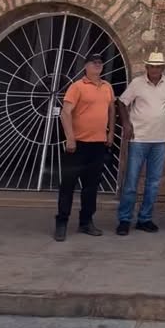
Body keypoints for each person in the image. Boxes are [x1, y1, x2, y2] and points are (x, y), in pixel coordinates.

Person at [115, 50, 165, 236]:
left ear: (163, 68)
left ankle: (145, 218)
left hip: (160, 140)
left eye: (158, 67)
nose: (155, 70)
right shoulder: (137, 83)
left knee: (153, 182)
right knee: (131, 181)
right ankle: (125, 219)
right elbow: (121, 102)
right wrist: (126, 124)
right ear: (146, 67)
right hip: (139, 138)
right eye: (152, 66)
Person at [54, 52, 115, 241]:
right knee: (68, 185)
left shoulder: (107, 87)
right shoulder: (77, 87)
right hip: (78, 145)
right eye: (93, 62)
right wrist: (70, 138)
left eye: (100, 63)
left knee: (91, 187)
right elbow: (65, 113)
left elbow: (111, 110)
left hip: (97, 145)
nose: (97, 65)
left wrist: (111, 133)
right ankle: (62, 222)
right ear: (86, 66)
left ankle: (86, 222)